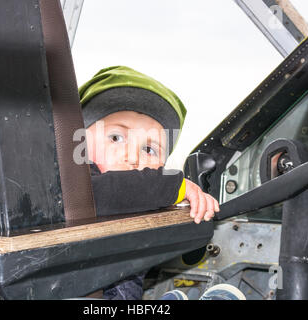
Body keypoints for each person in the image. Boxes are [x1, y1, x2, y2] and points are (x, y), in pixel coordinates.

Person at [78, 66, 220, 300]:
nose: (133, 158)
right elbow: (106, 193)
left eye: (148, 149)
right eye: (116, 137)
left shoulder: (142, 200)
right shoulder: (73, 185)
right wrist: (177, 187)